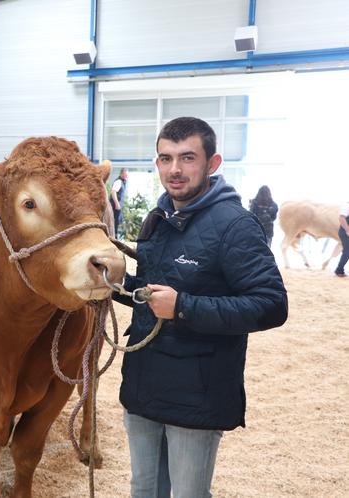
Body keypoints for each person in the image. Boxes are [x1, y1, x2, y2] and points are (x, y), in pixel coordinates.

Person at [115, 117, 288, 498]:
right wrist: (115, 284)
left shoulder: (234, 226)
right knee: (143, 490)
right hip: (144, 386)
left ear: (212, 163)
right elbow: (153, 295)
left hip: (197, 394)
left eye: (187, 157)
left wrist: (184, 308)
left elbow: (272, 305)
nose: (175, 169)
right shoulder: (158, 218)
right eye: (165, 158)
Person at [109, 167, 128, 238]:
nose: (127, 176)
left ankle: (115, 238)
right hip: (115, 206)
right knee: (114, 222)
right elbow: (113, 192)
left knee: (117, 222)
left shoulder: (123, 182)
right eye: (126, 174)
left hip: (118, 206)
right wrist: (117, 203)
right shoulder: (118, 181)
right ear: (122, 174)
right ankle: (114, 238)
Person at [335, 200, 349, 277]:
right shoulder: (347, 205)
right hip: (345, 232)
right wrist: (347, 230)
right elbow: (341, 218)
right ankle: (339, 270)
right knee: (347, 252)